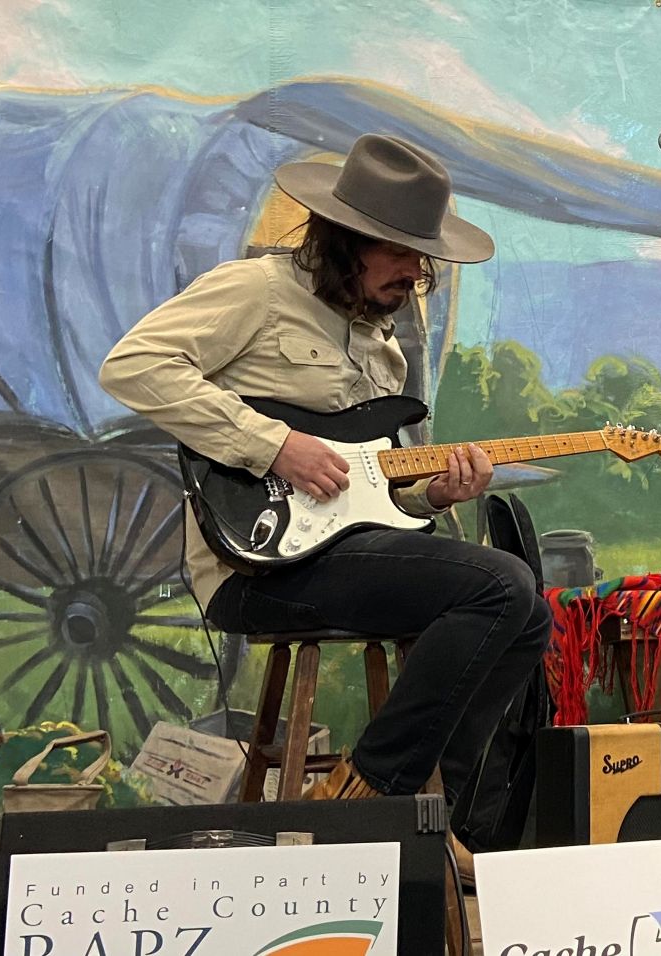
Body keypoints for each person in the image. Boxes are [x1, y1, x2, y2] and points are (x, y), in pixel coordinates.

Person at [100, 135, 552, 830]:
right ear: (348, 239)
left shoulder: (385, 348)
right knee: (501, 586)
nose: (416, 270)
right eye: (400, 251)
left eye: (421, 254)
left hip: (347, 556)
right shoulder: (253, 289)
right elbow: (134, 367)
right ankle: (371, 794)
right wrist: (274, 445)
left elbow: (371, 493)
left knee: (528, 610)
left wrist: (431, 497)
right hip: (255, 570)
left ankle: (443, 818)